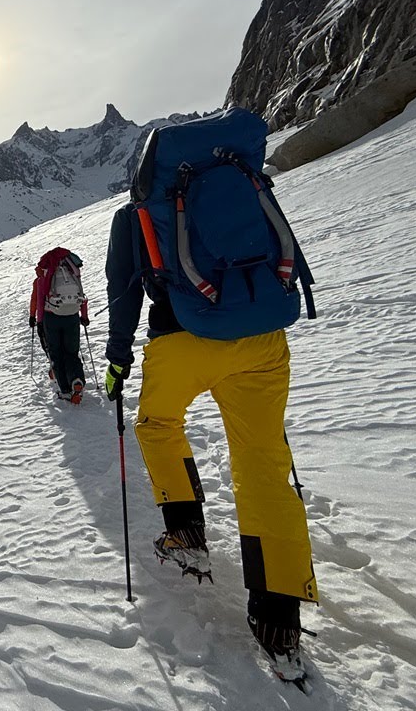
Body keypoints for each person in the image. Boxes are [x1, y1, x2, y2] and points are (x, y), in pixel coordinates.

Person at [103, 202, 318, 682]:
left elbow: (123, 291)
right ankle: (279, 622)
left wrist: (119, 358)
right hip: (262, 338)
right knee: (263, 467)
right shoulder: (242, 185)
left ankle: (186, 533)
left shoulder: (136, 214)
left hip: (185, 338)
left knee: (158, 423)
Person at [29, 247, 89, 404]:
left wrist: (37, 320)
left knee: (56, 353)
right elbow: (82, 296)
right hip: (72, 316)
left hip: (52, 318)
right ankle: (77, 380)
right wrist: (84, 316)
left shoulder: (45, 276)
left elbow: (39, 301)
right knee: (71, 352)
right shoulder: (73, 272)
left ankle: (65, 390)